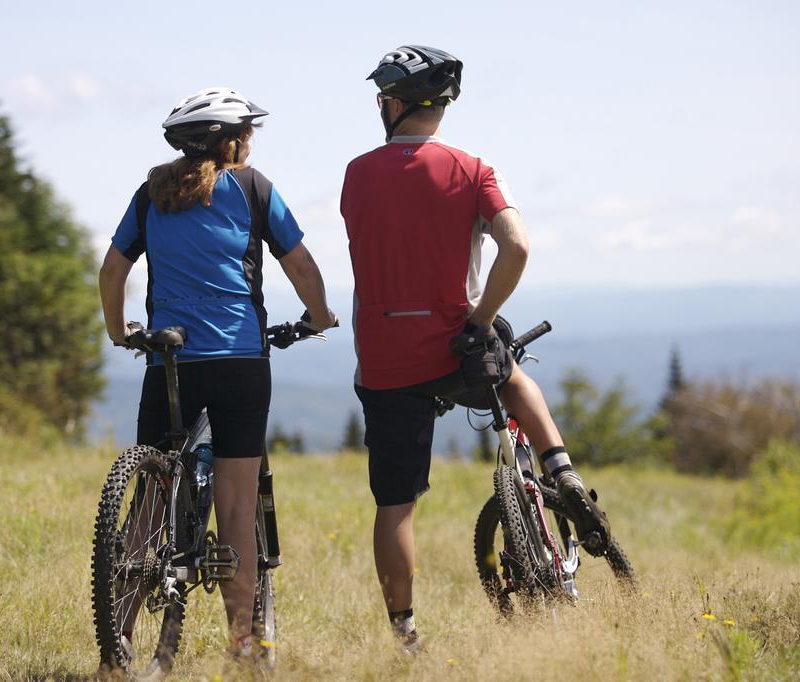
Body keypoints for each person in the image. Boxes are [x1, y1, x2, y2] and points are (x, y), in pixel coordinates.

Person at [340, 46, 611, 651]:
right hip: (456, 346)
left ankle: (405, 635)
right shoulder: (474, 168)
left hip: (385, 357)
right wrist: (482, 317)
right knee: (513, 377)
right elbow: (516, 248)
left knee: (396, 504)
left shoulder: (356, 173)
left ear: (394, 103)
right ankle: (560, 470)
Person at [99, 87, 336, 659]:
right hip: (238, 359)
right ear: (226, 141)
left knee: (150, 502)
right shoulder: (253, 189)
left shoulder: (151, 191)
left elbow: (112, 271)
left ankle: (121, 639)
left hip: (168, 359)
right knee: (235, 503)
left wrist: (117, 331)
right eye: (245, 133)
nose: (250, 142)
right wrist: (321, 317)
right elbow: (300, 263)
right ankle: (243, 643)